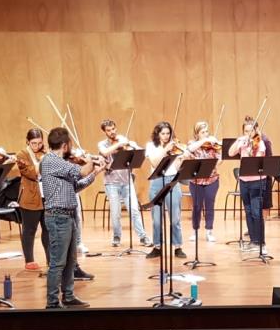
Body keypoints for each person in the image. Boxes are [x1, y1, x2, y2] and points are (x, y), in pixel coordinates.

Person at [39, 127, 101, 308]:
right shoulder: (51, 161)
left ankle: (68, 296)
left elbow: (75, 186)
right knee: (57, 263)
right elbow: (80, 171)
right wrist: (91, 160)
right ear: (65, 145)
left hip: (68, 216)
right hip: (58, 217)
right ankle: (52, 302)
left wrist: (96, 172)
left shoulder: (60, 164)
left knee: (70, 262)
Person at [97, 119, 150, 248]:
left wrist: (131, 145)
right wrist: (118, 145)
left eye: (113, 129)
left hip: (127, 181)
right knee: (116, 213)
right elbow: (105, 153)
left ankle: (143, 236)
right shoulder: (102, 144)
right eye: (108, 130)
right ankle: (116, 236)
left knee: (134, 210)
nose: (112, 132)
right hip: (111, 183)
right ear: (104, 132)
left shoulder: (123, 140)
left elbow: (141, 151)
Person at [145, 121, 187, 259]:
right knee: (157, 219)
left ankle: (178, 246)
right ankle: (157, 246)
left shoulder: (174, 146)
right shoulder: (151, 146)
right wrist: (165, 150)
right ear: (157, 134)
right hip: (156, 182)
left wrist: (182, 157)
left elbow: (177, 167)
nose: (166, 136)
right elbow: (155, 163)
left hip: (172, 181)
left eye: (168, 133)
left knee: (175, 218)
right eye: (163, 133)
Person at [229, 117, 267, 253]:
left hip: (257, 181)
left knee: (257, 212)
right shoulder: (242, 142)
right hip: (244, 181)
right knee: (248, 211)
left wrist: (251, 145)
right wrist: (239, 141)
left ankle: (260, 242)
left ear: (256, 131)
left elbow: (256, 160)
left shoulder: (260, 143)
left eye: (251, 131)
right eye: (246, 131)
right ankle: (253, 240)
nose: (248, 134)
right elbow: (230, 152)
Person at [16, 128, 49, 271]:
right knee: (29, 230)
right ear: (28, 142)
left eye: (39, 143)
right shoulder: (22, 154)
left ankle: (50, 259)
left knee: (48, 229)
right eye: (33, 143)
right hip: (30, 196)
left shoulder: (46, 153)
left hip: (46, 196)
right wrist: (41, 162)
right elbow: (30, 172)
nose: (37, 146)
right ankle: (29, 260)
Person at [186, 121, 221, 242]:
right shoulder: (192, 143)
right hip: (196, 181)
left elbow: (220, 159)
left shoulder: (212, 144)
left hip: (212, 180)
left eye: (207, 131)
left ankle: (209, 231)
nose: (206, 134)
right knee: (196, 206)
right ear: (197, 134)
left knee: (210, 206)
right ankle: (195, 231)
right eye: (203, 132)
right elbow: (189, 149)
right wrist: (203, 141)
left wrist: (218, 155)